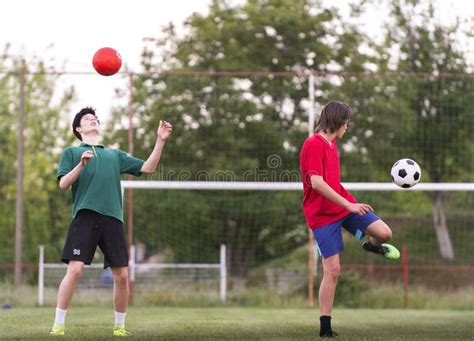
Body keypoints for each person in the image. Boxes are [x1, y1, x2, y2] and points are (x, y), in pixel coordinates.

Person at [50, 107, 172, 336]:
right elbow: (63, 184)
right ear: (79, 128)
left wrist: (160, 141)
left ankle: (119, 326)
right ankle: (58, 325)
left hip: (112, 218)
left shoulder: (114, 155)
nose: (93, 120)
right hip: (85, 215)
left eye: (95, 118)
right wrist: (81, 165)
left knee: (122, 275)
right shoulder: (71, 153)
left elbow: (148, 167)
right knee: (75, 270)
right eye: (88, 119)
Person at [299, 101, 400, 338]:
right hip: (323, 217)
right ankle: (325, 327)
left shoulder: (333, 143)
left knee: (384, 233)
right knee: (333, 270)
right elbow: (316, 182)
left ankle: (370, 246)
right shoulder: (314, 143)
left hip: (343, 206)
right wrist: (349, 205)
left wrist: (346, 205)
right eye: (346, 123)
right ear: (339, 122)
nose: (347, 127)